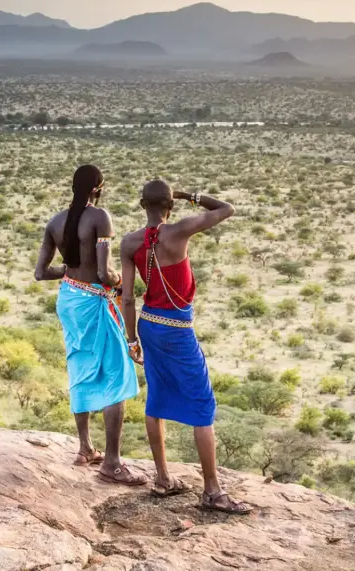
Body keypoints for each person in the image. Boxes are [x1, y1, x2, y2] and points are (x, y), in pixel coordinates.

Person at [119, 180, 253, 514]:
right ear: (170, 206)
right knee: (202, 404)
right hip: (177, 330)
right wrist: (188, 195)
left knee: (158, 399)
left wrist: (132, 338)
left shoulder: (129, 242)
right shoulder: (179, 231)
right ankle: (211, 491)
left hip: (149, 325)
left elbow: (128, 297)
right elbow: (225, 209)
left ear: (141, 205)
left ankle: (163, 478)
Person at [34, 164, 146, 487]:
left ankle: (85, 447)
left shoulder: (55, 222)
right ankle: (111, 463)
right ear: (97, 188)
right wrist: (124, 285)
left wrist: (71, 272)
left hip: (69, 300)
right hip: (94, 301)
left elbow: (41, 273)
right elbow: (102, 273)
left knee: (79, 366)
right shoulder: (100, 218)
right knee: (117, 372)